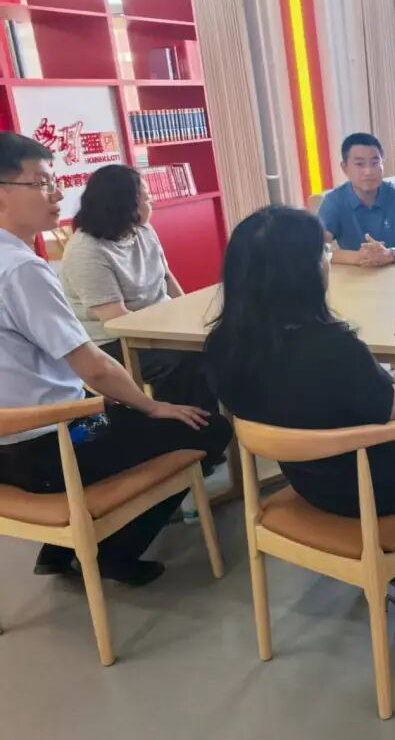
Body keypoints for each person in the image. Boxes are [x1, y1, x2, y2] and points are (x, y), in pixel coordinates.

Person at [205, 205, 395, 624]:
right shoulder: (331, 347)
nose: (327, 261)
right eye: (322, 254)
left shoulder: (223, 345)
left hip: (308, 479)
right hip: (372, 484)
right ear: (301, 275)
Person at [0, 132, 231, 586]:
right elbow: (92, 365)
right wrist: (152, 405)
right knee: (208, 428)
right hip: (54, 444)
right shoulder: (22, 269)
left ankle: (60, 548)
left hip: (17, 443)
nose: (57, 194)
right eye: (42, 183)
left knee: (144, 410)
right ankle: (111, 551)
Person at [60, 165, 220, 449]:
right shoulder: (86, 251)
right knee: (182, 360)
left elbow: (167, 278)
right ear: (122, 206)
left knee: (216, 344)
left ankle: (211, 432)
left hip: (159, 326)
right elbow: (115, 319)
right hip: (113, 341)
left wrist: (191, 315)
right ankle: (185, 440)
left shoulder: (142, 230)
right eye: (144, 198)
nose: (151, 202)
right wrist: (174, 332)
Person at [318, 132, 395, 406]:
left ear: (383, 163)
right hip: (355, 283)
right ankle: (377, 382)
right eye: (359, 164)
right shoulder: (335, 201)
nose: (369, 171)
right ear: (344, 167)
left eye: (375, 162)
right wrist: (361, 257)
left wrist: (389, 255)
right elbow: (316, 247)